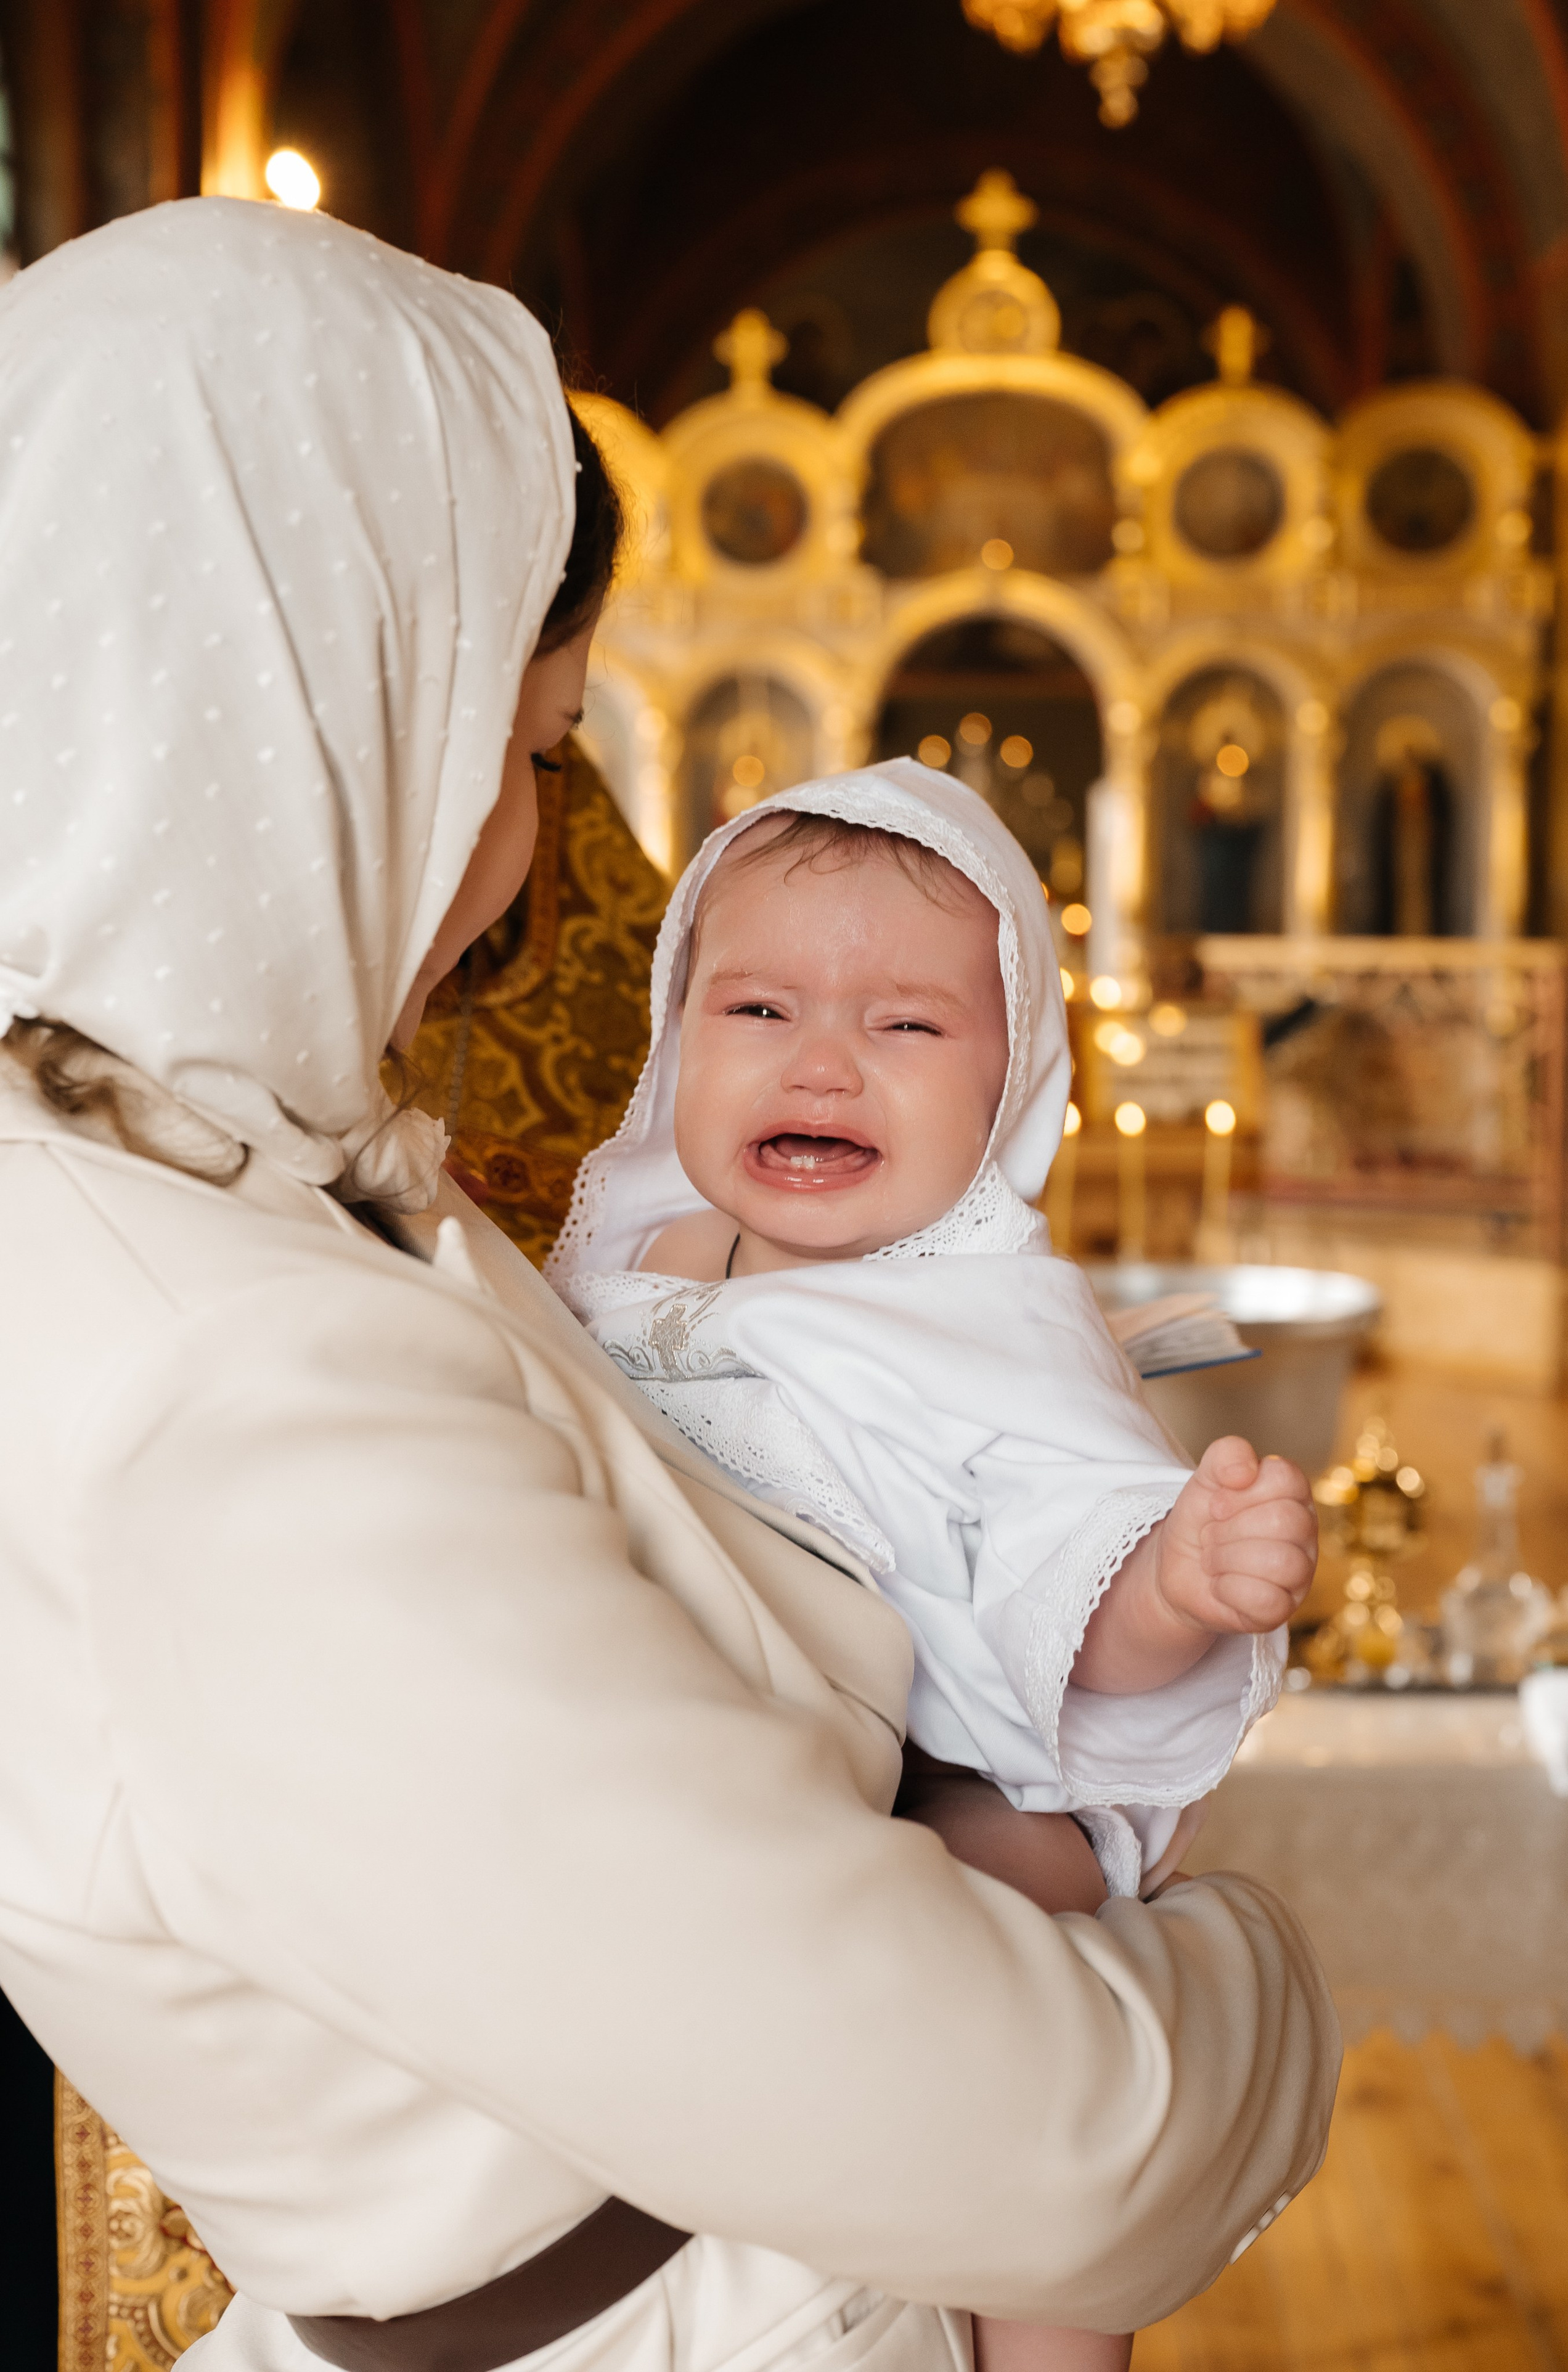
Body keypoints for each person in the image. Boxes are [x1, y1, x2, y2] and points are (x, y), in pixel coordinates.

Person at [0, 197, 1338, 2372]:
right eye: (524, 753)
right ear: (297, 707)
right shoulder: (218, 1373)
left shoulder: (179, 1194)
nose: (539, 863)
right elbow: (1032, 2139)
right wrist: (1267, 1973)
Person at [550, 765, 1319, 2372]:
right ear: (672, 1037)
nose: (823, 1059)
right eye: (758, 1006)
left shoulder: (993, 1319)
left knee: (1022, 2020)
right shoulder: (616, 1272)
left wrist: (1170, 1582)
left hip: (959, 1774)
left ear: (1007, 1085)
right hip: (707, 1750)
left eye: (904, 1028)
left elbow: (1062, 1566)